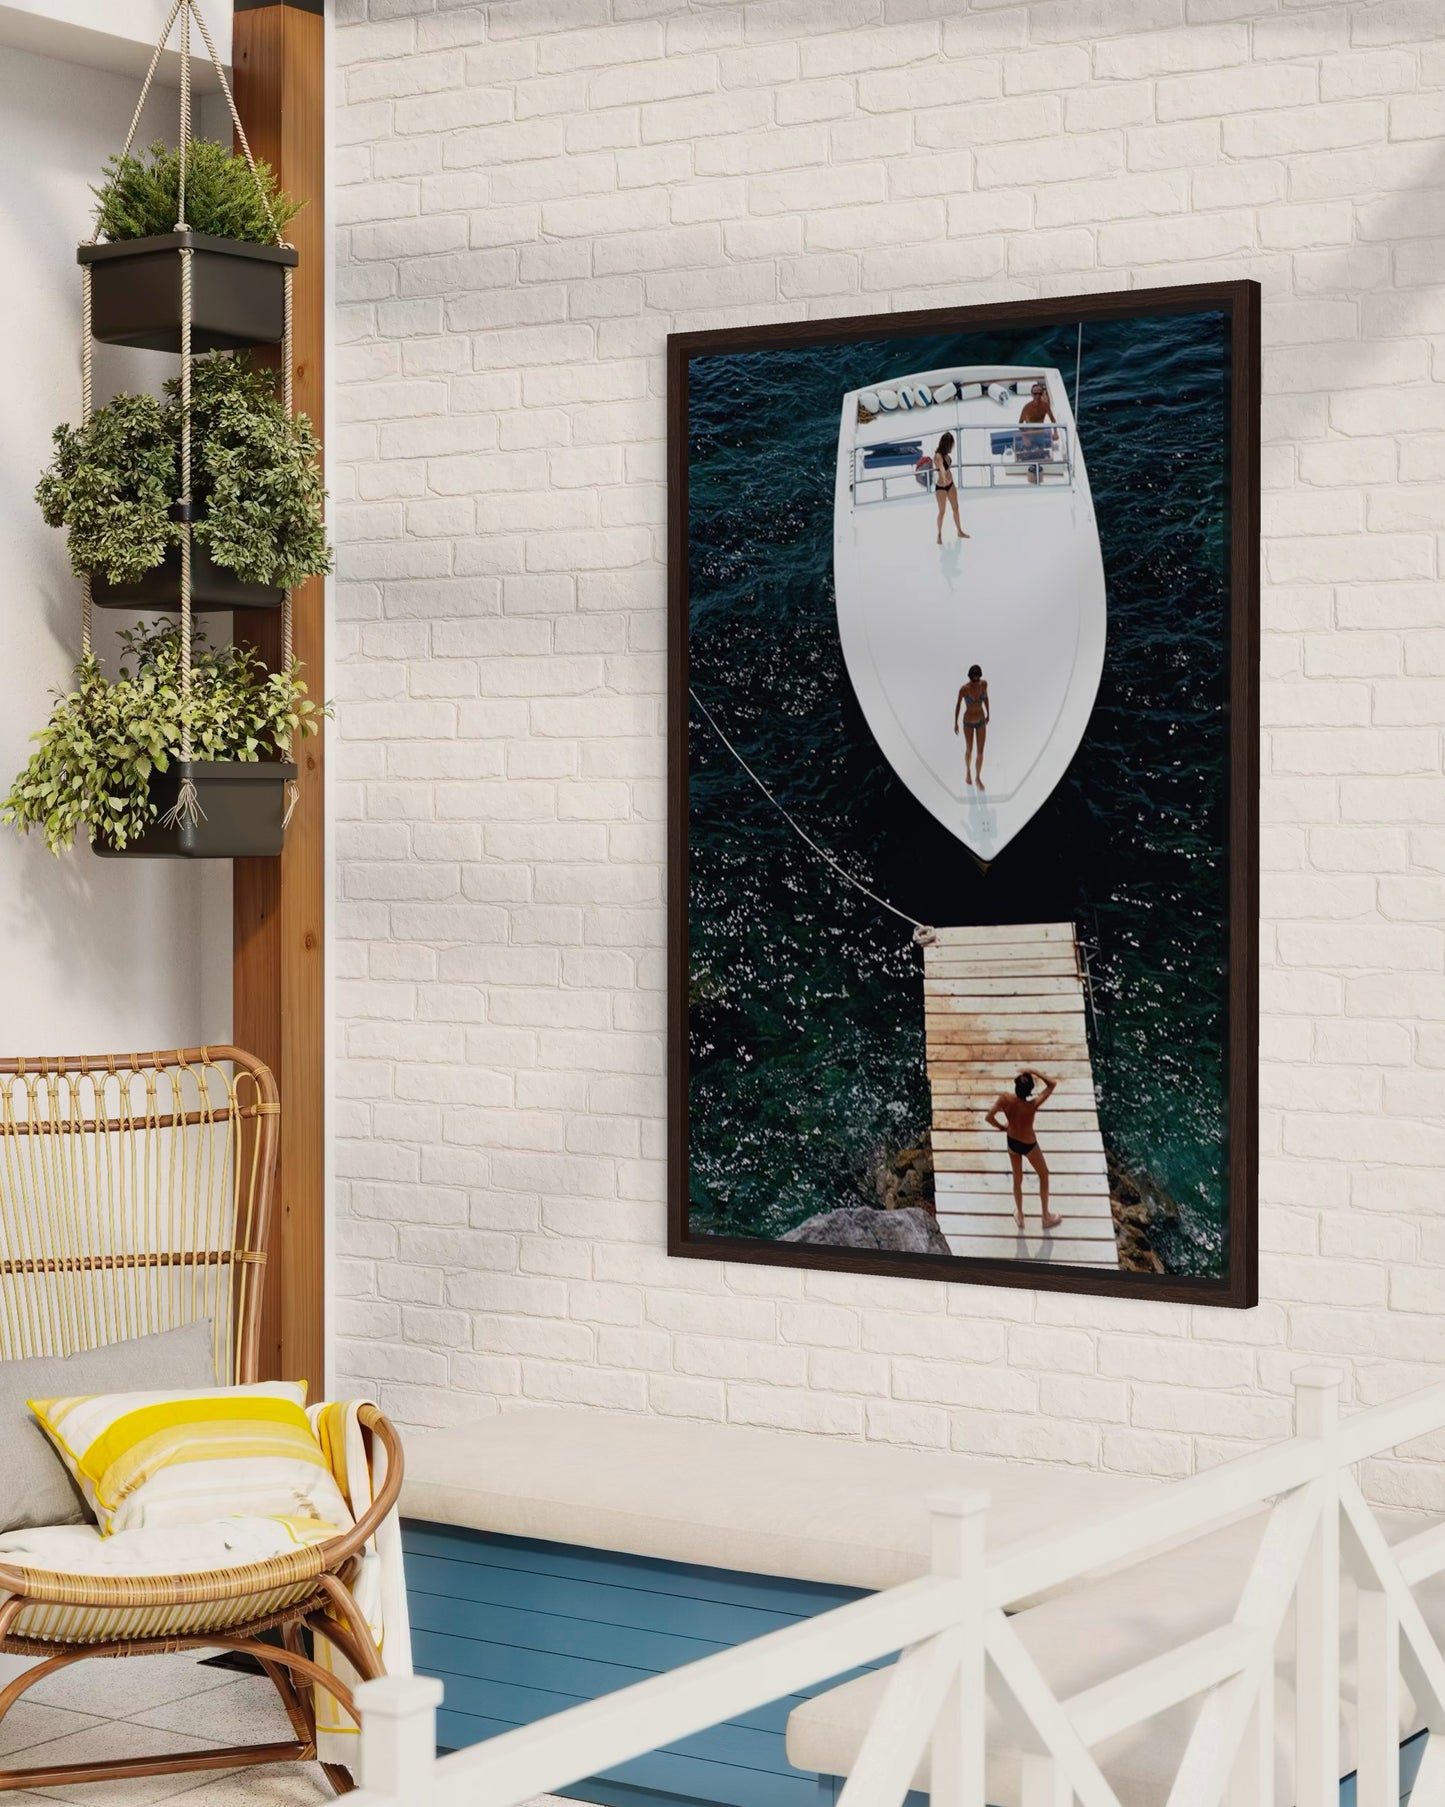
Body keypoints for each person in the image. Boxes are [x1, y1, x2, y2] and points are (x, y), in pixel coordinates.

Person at [985, 1070, 1061, 1231]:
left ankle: (1020, 1215)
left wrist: (1001, 1127)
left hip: (1012, 1141)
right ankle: (1046, 1216)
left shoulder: (1005, 1098)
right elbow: (1052, 1084)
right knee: (1044, 1174)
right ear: (1030, 1091)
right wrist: (1034, 1071)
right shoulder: (1032, 1105)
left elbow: (989, 1117)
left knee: (1017, 1179)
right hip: (1029, 1144)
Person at [953, 664, 988, 789]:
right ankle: (968, 771)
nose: (976, 679)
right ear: (970, 676)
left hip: (981, 721)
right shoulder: (964, 689)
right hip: (968, 722)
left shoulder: (984, 684)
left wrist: (989, 713)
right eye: (974, 677)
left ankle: (978, 777)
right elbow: (958, 704)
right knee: (969, 750)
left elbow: (986, 698)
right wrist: (955, 722)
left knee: (980, 752)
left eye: (978, 677)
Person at [933, 431, 968, 545]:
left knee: (956, 508)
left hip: (951, 485)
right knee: (942, 512)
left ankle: (959, 531)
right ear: (947, 444)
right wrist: (943, 478)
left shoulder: (946, 454)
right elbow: (942, 468)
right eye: (951, 444)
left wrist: (947, 479)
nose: (952, 447)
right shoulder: (938, 456)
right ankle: (939, 534)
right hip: (941, 488)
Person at [1018, 379, 1056, 483]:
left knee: (1041, 455)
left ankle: (1038, 475)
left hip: (1040, 434)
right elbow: (1020, 424)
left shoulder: (1045, 405)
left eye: (1039, 393)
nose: (1037, 396)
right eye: (1035, 394)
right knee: (1024, 455)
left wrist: (1056, 432)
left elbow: (1053, 419)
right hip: (1029, 434)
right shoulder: (1027, 407)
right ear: (1031, 394)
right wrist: (1025, 437)